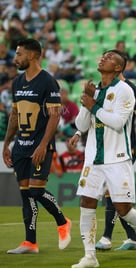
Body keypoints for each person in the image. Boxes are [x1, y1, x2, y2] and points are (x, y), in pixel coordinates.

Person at [71, 49, 136, 268]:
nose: (103, 58)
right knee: (86, 203)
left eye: (109, 58)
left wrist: (93, 105)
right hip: (93, 159)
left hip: (117, 159)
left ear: (118, 67)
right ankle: (90, 256)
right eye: (103, 56)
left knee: (123, 208)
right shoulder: (96, 90)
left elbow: (118, 122)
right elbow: (81, 126)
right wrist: (86, 103)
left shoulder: (125, 91)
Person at [2, 38, 72, 254]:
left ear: (32, 55)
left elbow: (54, 117)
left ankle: (63, 221)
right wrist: (7, 144)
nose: (15, 59)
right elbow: (14, 115)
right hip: (20, 147)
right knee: (26, 194)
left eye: (19, 54)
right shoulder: (17, 82)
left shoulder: (48, 82)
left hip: (39, 146)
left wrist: (43, 145)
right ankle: (30, 242)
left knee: (36, 190)